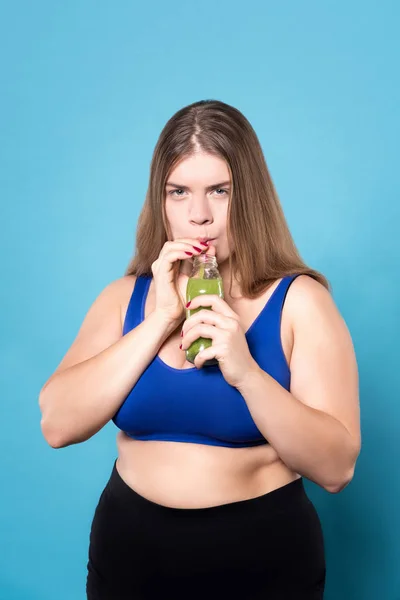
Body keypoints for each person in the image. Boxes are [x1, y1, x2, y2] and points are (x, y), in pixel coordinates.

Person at [39, 99, 361, 599]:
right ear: (160, 201)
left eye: (219, 191)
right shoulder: (125, 298)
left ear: (248, 196)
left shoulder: (300, 303)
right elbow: (57, 424)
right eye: (179, 192)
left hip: (263, 560)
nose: (199, 216)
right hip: (129, 556)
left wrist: (247, 372)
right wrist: (161, 319)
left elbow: (337, 468)